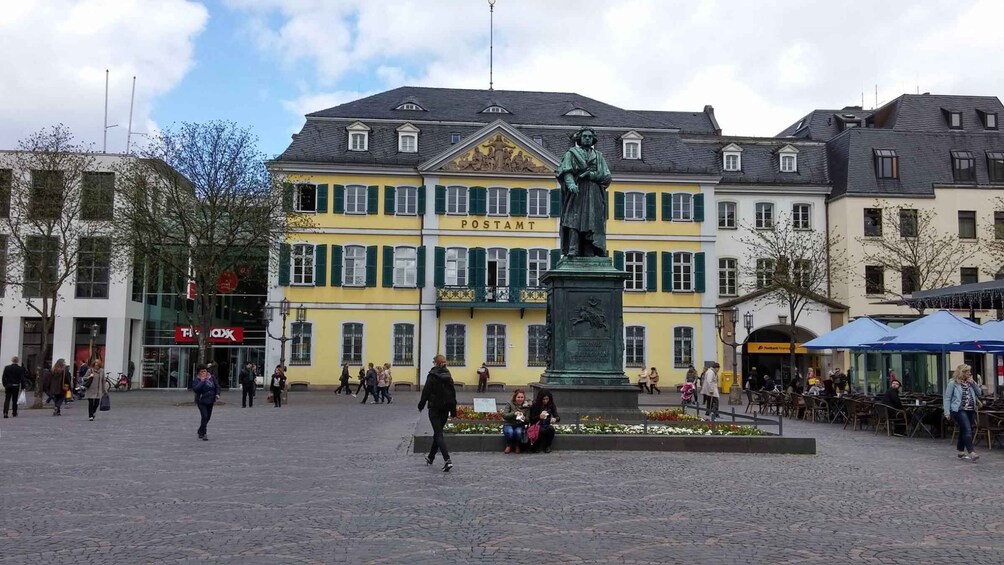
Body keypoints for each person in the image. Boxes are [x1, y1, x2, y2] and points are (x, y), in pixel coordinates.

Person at [556, 127, 612, 258]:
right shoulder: (571, 153)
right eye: (585, 136)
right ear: (579, 139)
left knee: (592, 221)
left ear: (593, 139)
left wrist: (591, 175)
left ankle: (589, 249)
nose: (587, 138)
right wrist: (571, 184)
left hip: (594, 194)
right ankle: (573, 248)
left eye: (590, 137)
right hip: (577, 191)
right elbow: (566, 171)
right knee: (573, 219)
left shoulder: (599, 156)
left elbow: (607, 176)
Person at [418, 354, 457, 472]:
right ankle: (431, 457)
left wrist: (421, 404)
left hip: (434, 407)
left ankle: (447, 460)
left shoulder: (432, 375)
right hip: (445, 409)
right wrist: (453, 410)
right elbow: (452, 394)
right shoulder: (448, 375)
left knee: (438, 434)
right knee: (437, 433)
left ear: (435, 363)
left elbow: (426, 391)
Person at [943, 364, 982, 462]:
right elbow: (947, 398)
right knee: (967, 429)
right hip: (959, 410)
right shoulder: (953, 383)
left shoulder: (970, 383)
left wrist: (973, 383)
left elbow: (979, 393)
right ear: (962, 372)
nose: (970, 373)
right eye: (968, 371)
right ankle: (972, 452)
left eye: (970, 371)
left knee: (963, 429)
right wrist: (947, 412)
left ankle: (960, 450)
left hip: (970, 409)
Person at [192, 364, 220, 441]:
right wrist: (202, 381)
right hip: (202, 401)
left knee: (208, 417)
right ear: (199, 373)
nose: (204, 373)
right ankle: (204, 433)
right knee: (204, 416)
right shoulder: (197, 379)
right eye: (202, 371)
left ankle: (200, 430)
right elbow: (196, 389)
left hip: (211, 400)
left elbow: (217, 386)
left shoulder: (212, 377)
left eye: (205, 371)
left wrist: (217, 394)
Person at [501, 389, 531, 453]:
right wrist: (514, 413)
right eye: (518, 397)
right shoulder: (509, 403)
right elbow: (505, 415)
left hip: (520, 424)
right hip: (509, 423)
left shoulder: (527, 406)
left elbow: (528, 419)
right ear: (515, 397)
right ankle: (509, 445)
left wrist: (522, 417)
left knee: (518, 432)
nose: (520, 399)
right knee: (510, 432)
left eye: (522, 397)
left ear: (524, 398)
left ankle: (517, 445)